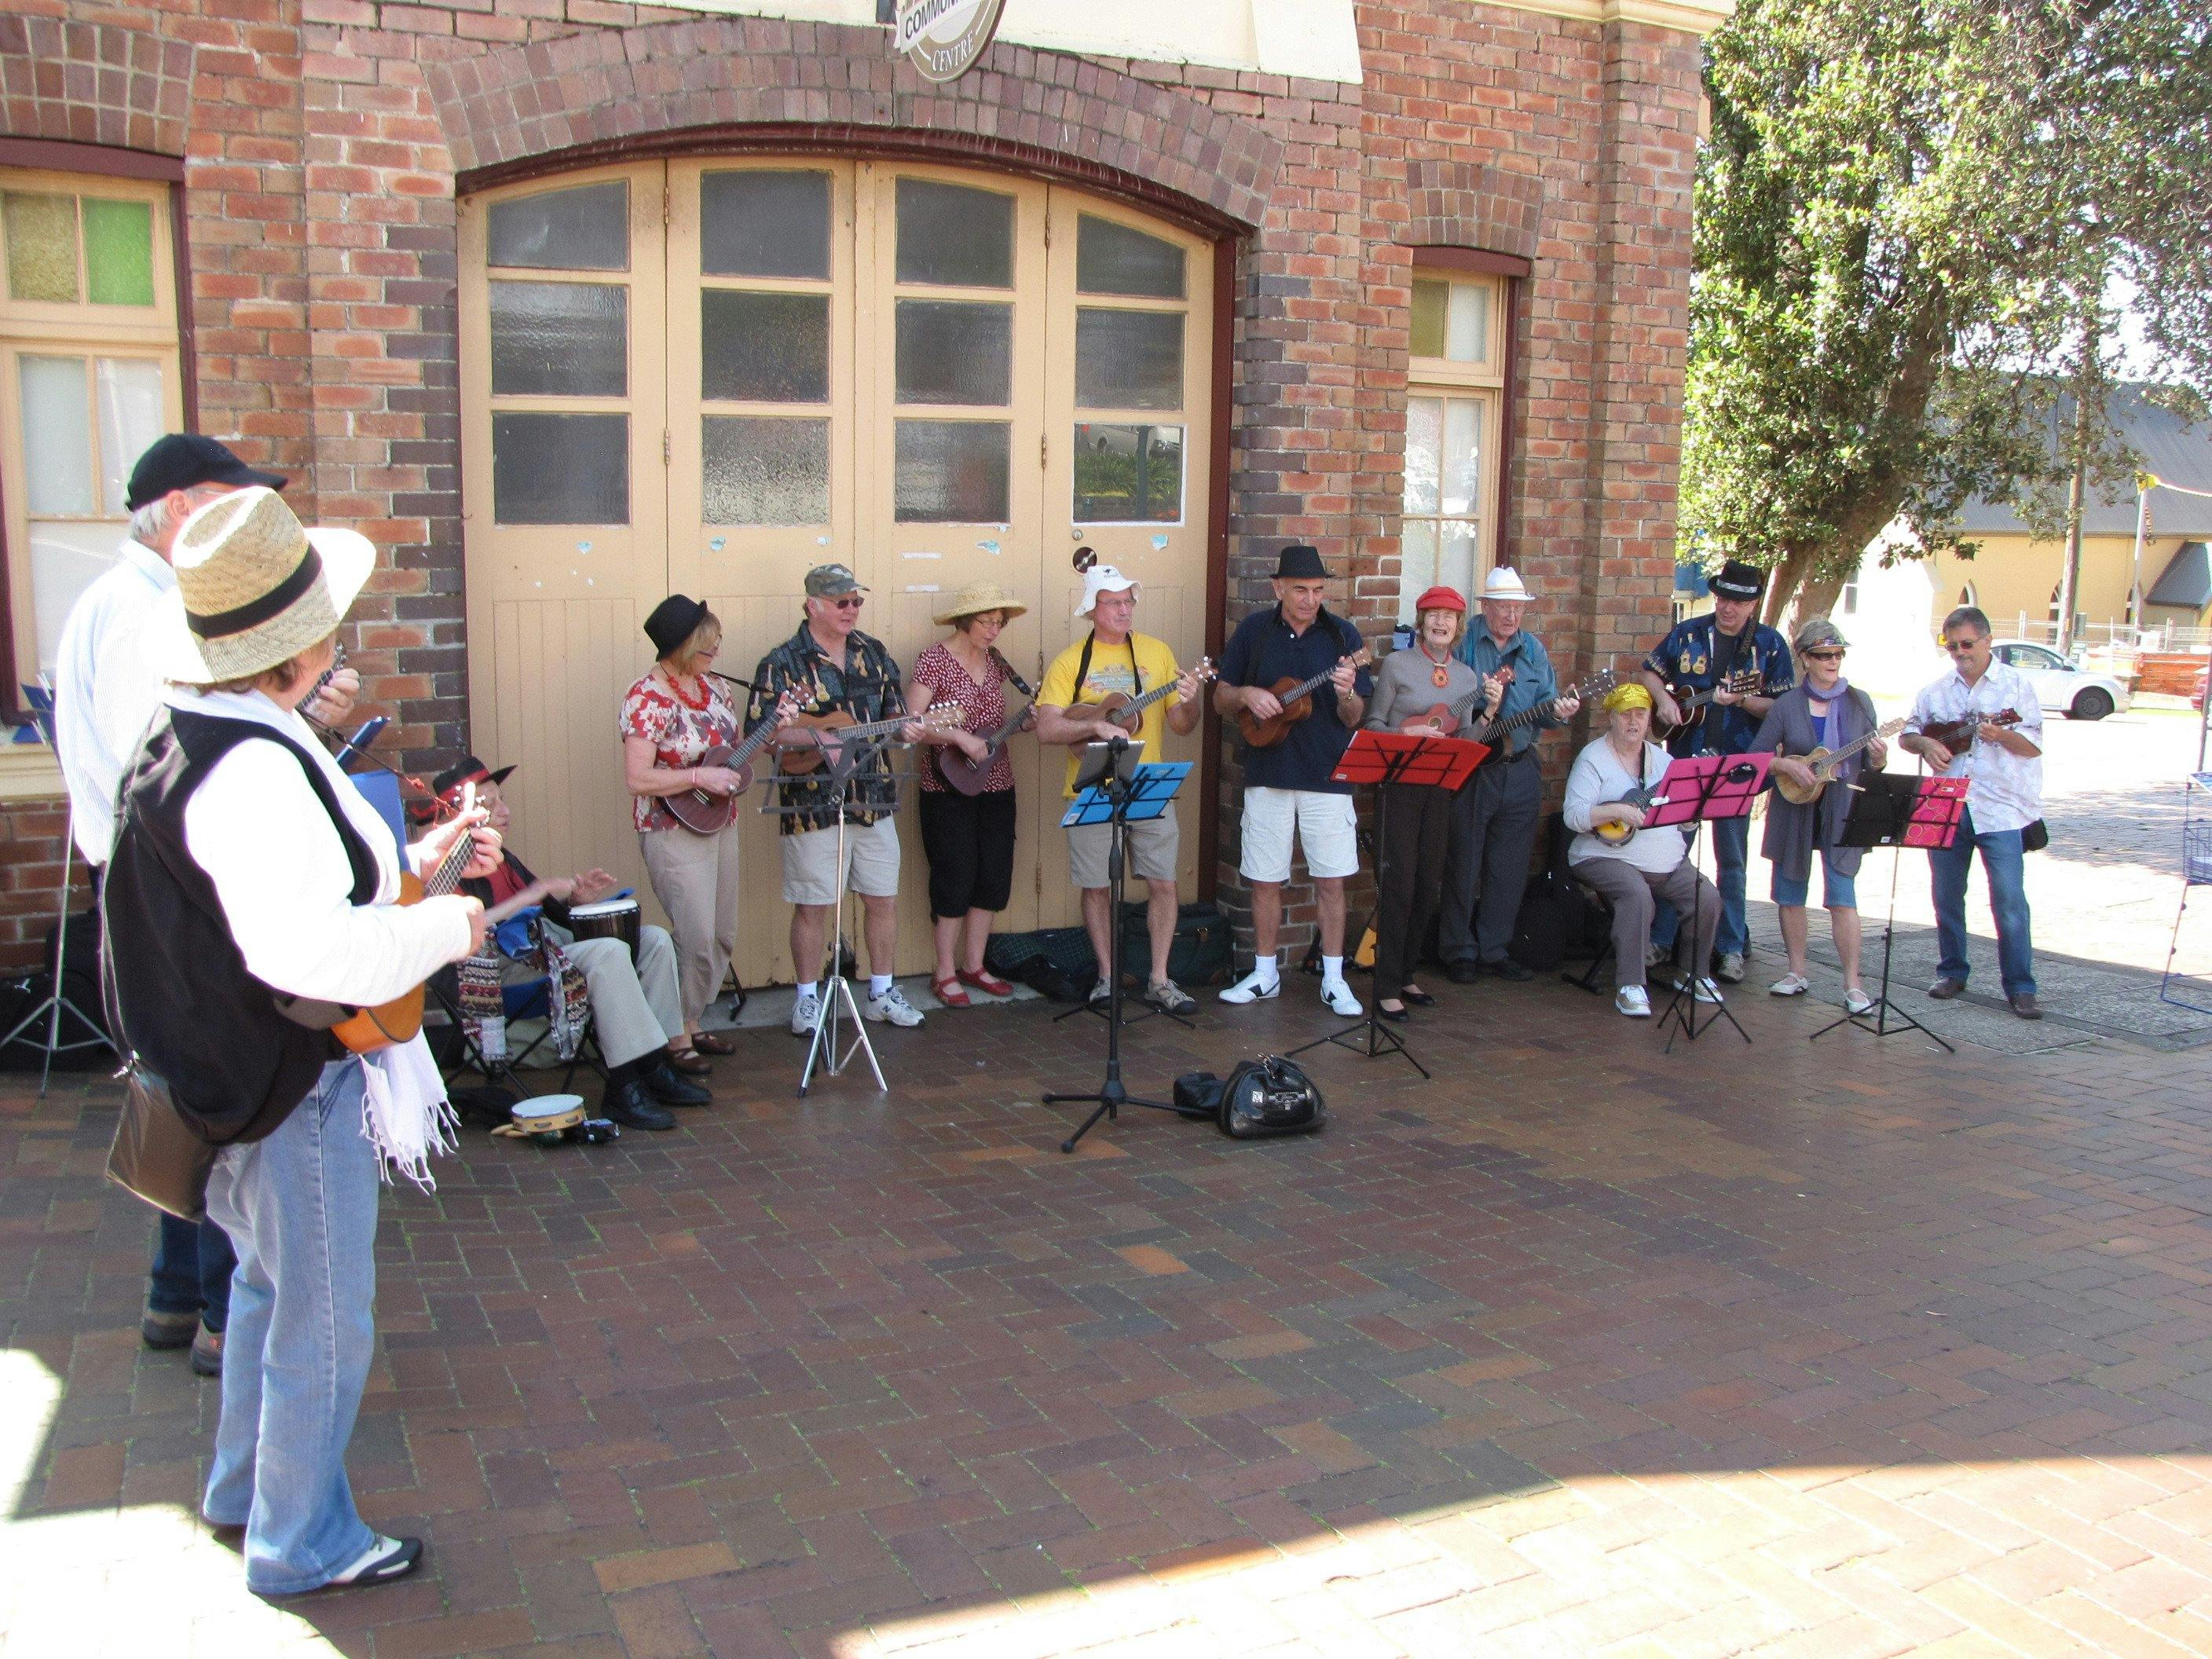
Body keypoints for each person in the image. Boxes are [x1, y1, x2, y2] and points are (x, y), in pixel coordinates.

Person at [104, 485, 498, 1595]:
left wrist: (421, 857)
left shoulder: (205, 732)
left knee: (271, 1297)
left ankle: (249, 1495)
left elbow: (304, 892)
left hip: (231, 1079)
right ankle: (301, 1542)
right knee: (321, 1323)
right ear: (293, 651)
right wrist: (447, 922)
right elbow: (309, 955)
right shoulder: (252, 763)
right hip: (284, 1086)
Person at [54, 434, 359, 1381]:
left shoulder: (127, 602)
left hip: (161, 883)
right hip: (178, 893)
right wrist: (301, 716)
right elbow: (186, 761)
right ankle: (227, 1315)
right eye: (236, 505)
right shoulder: (135, 611)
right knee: (227, 1093)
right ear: (185, 510)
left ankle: (177, 1294)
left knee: (195, 1100)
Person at [435, 756, 710, 1131]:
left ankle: (655, 1063)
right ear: (459, 814)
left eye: (502, 800)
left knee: (653, 940)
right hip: (497, 973)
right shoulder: (447, 866)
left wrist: (578, 900)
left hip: (545, 951)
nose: (505, 811)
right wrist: (535, 891)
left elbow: (552, 915)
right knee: (609, 953)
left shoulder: (500, 856)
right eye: (490, 804)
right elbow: (457, 930)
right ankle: (624, 1084)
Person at [750, 564, 927, 1035]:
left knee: (882, 898)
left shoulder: (873, 652)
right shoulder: (782, 661)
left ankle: (882, 992)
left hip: (873, 798)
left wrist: (906, 727)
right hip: (812, 803)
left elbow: (894, 712)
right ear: (814, 606)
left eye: (857, 601)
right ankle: (808, 999)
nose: (852, 610)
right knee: (813, 905)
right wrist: (815, 736)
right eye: (842, 602)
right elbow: (763, 735)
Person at [1035, 559, 1207, 1013]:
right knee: (1096, 886)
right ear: (1092, 610)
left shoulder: (1157, 652)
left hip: (1149, 783)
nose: (1124, 610)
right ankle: (1108, 979)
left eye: (1129, 601)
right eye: (1113, 603)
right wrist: (1095, 723)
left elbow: (1182, 725)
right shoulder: (1071, 661)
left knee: (1164, 882)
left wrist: (1191, 701)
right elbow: (1048, 729)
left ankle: (1160, 979)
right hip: (1091, 786)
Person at [1213, 544, 1372, 1016]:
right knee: (1264, 879)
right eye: (1300, 589)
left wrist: (1345, 694)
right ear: (1278, 587)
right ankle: (1264, 974)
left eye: (1318, 590)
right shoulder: (1255, 631)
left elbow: (1354, 716)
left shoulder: (1344, 636)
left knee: (1332, 881)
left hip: (1327, 773)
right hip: (1268, 772)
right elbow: (1222, 698)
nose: (1309, 599)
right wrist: (1247, 694)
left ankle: (1335, 978)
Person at [621, 595, 778, 1064]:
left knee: (721, 933)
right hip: (671, 827)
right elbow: (637, 779)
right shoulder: (646, 698)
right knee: (692, 934)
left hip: (718, 820)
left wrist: (769, 731)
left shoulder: (715, 691)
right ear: (682, 647)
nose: (715, 655)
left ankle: (691, 1020)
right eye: (707, 647)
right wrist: (697, 777)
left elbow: (731, 756)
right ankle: (674, 1035)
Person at [1636, 558, 1793, 983]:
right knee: (1672, 854)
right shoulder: (1688, 634)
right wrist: (1666, 702)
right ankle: (1661, 941)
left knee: (1733, 861)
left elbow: (1782, 705)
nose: (1728, 608)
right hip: (1686, 759)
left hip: (1738, 764)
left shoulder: (1770, 645)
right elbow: (1651, 670)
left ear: (1753, 603)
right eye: (1723, 598)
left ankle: (1730, 948)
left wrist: (1740, 701)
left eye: (1738, 602)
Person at [1360, 587, 1502, 1020]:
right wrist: (1406, 736)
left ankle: (1406, 974)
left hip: (1441, 788)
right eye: (1433, 616)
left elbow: (1464, 741)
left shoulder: (1466, 678)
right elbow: (1374, 723)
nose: (1441, 623)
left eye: (1450, 617)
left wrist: (1488, 714)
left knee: (1428, 884)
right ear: (1421, 622)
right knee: (1399, 883)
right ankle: (1384, 985)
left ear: (1459, 627)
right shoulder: (1398, 665)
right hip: (1399, 786)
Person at [1900, 605, 2047, 1019]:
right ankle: (1951, 971)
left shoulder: (2016, 687)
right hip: (1946, 801)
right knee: (1946, 894)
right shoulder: (1936, 691)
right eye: (1952, 646)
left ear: (1987, 640)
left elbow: (2033, 745)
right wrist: (1926, 745)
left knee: (2008, 899)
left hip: (2000, 808)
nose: (1960, 652)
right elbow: (1910, 734)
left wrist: (2001, 735)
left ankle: (2020, 986)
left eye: (1968, 644)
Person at [1441, 566, 1584, 984]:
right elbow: (1448, 701)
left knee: (1509, 865)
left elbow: (1547, 706)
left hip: (1519, 764)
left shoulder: (1534, 651)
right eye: (1502, 606)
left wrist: (1561, 711)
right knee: (1463, 862)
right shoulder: (1465, 641)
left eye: (1517, 608)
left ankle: (1495, 948)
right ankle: (1457, 949)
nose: (1510, 615)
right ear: (1485, 607)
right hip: (1472, 767)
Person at [1562, 683, 1725, 1017]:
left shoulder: (1665, 762)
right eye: (1625, 715)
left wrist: (1691, 819)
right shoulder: (1593, 758)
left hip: (1663, 858)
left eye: (1641, 714)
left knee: (1705, 896)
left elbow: (1680, 819)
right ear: (1611, 717)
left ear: (1650, 719)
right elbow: (1574, 816)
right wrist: (1616, 812)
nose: (1633, 722)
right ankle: (1630, 986)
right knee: (1636, 895)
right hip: (1603, 854)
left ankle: (1694, 974)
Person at [906, 581, 1031, 1008]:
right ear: (965, 620)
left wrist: (1027, 721)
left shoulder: (996, 662)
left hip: (997, 781)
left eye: (999, 623)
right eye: (986, 622)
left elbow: (996, 724)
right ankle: (944, 971)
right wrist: (958, 736)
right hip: (947, 786)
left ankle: (975, 965)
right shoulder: (935, 659)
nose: (994, 631)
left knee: (993, 874)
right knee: (954, 874)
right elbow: (912, 723)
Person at [1752, 619, 1887, 1012]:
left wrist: (1879, 758)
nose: (1833, 661)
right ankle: (1796, 972)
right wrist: (1785, 767)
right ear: (1805, 659)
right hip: (1794, 804)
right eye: (1824, 655)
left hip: (1842, 804)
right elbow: (1759, 757)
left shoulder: (1859, 701)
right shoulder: (1787, 705)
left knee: (1843, 894)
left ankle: (1853, 985)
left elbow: (1872, 762)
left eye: (1838, 655)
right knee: (1790, 890)